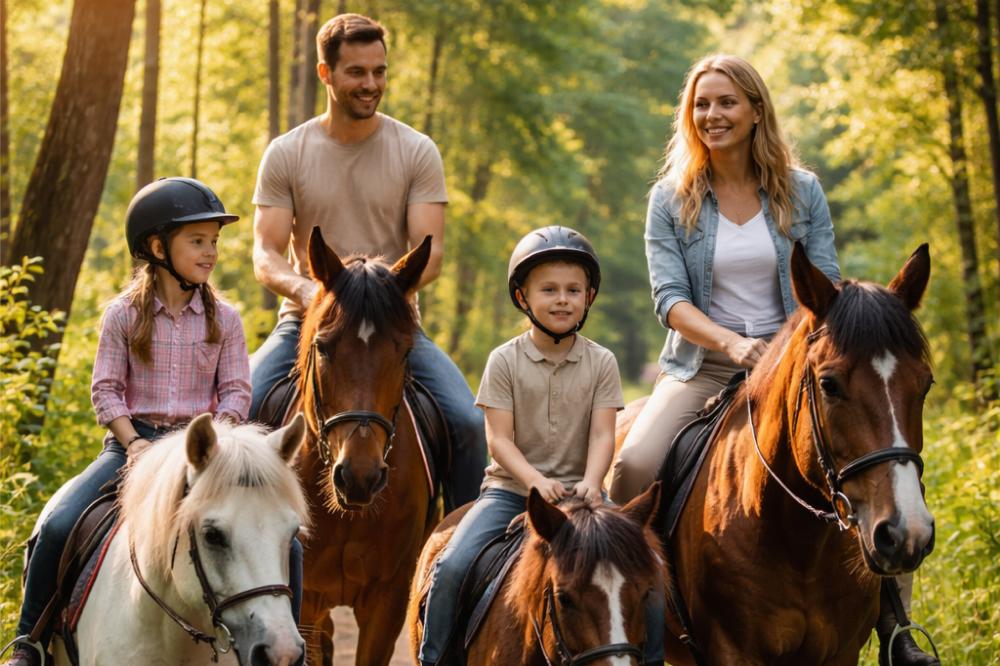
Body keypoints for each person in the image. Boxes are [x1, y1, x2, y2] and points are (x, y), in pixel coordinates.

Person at [609, 54, 936, 666]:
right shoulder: (671, 200)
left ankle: (895, 626)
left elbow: (827, 283)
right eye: (701, 104)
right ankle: (640, 632)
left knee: (882, 460)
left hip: (802, 365)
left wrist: (805, 343)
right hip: (706, 364)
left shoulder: (801, 190)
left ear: (756, 110)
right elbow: (670, 299)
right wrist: (732, 344)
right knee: (631, 466)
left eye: (727, 102)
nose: (713, 115)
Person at [2, 178, 252, 666]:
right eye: (197, 241)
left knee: (282, 541)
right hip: (132, 447)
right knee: (57, 523)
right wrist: (134, 443)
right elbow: (107, 391)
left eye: (214, 242)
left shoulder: (226, 319)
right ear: (158, 247)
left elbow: (238, 391)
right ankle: (28, 643)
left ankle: (283, 647)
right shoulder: (122, 316)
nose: (210, 253)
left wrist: (216, 440)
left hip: (204, 453)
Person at [250, 12, 486, 511]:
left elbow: (431, 252)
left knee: (468, 424)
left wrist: (379, 296)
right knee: (239, 412)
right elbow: (265, 252)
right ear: (325, 74)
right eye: (357, 72)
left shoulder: (417, 151)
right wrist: (311, 293)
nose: (371, 84)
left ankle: (463, 565)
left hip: (392, 326)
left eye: (379, 71)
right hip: (309, 325)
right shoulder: (286, 153)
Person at [417, 226, 664, 666]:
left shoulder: (601, 361)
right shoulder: (504, 361)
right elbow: (499, 439)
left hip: (584, 499)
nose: (562, 299)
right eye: (549, 290)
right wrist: (534, 481)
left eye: (573, 289)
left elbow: (604, 434)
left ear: (589, 297)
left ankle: (648, 658)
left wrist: (591, 481)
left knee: (649, 574)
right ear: (522, 298)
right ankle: (434, 657)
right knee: (452, 565)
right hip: (511, 492)